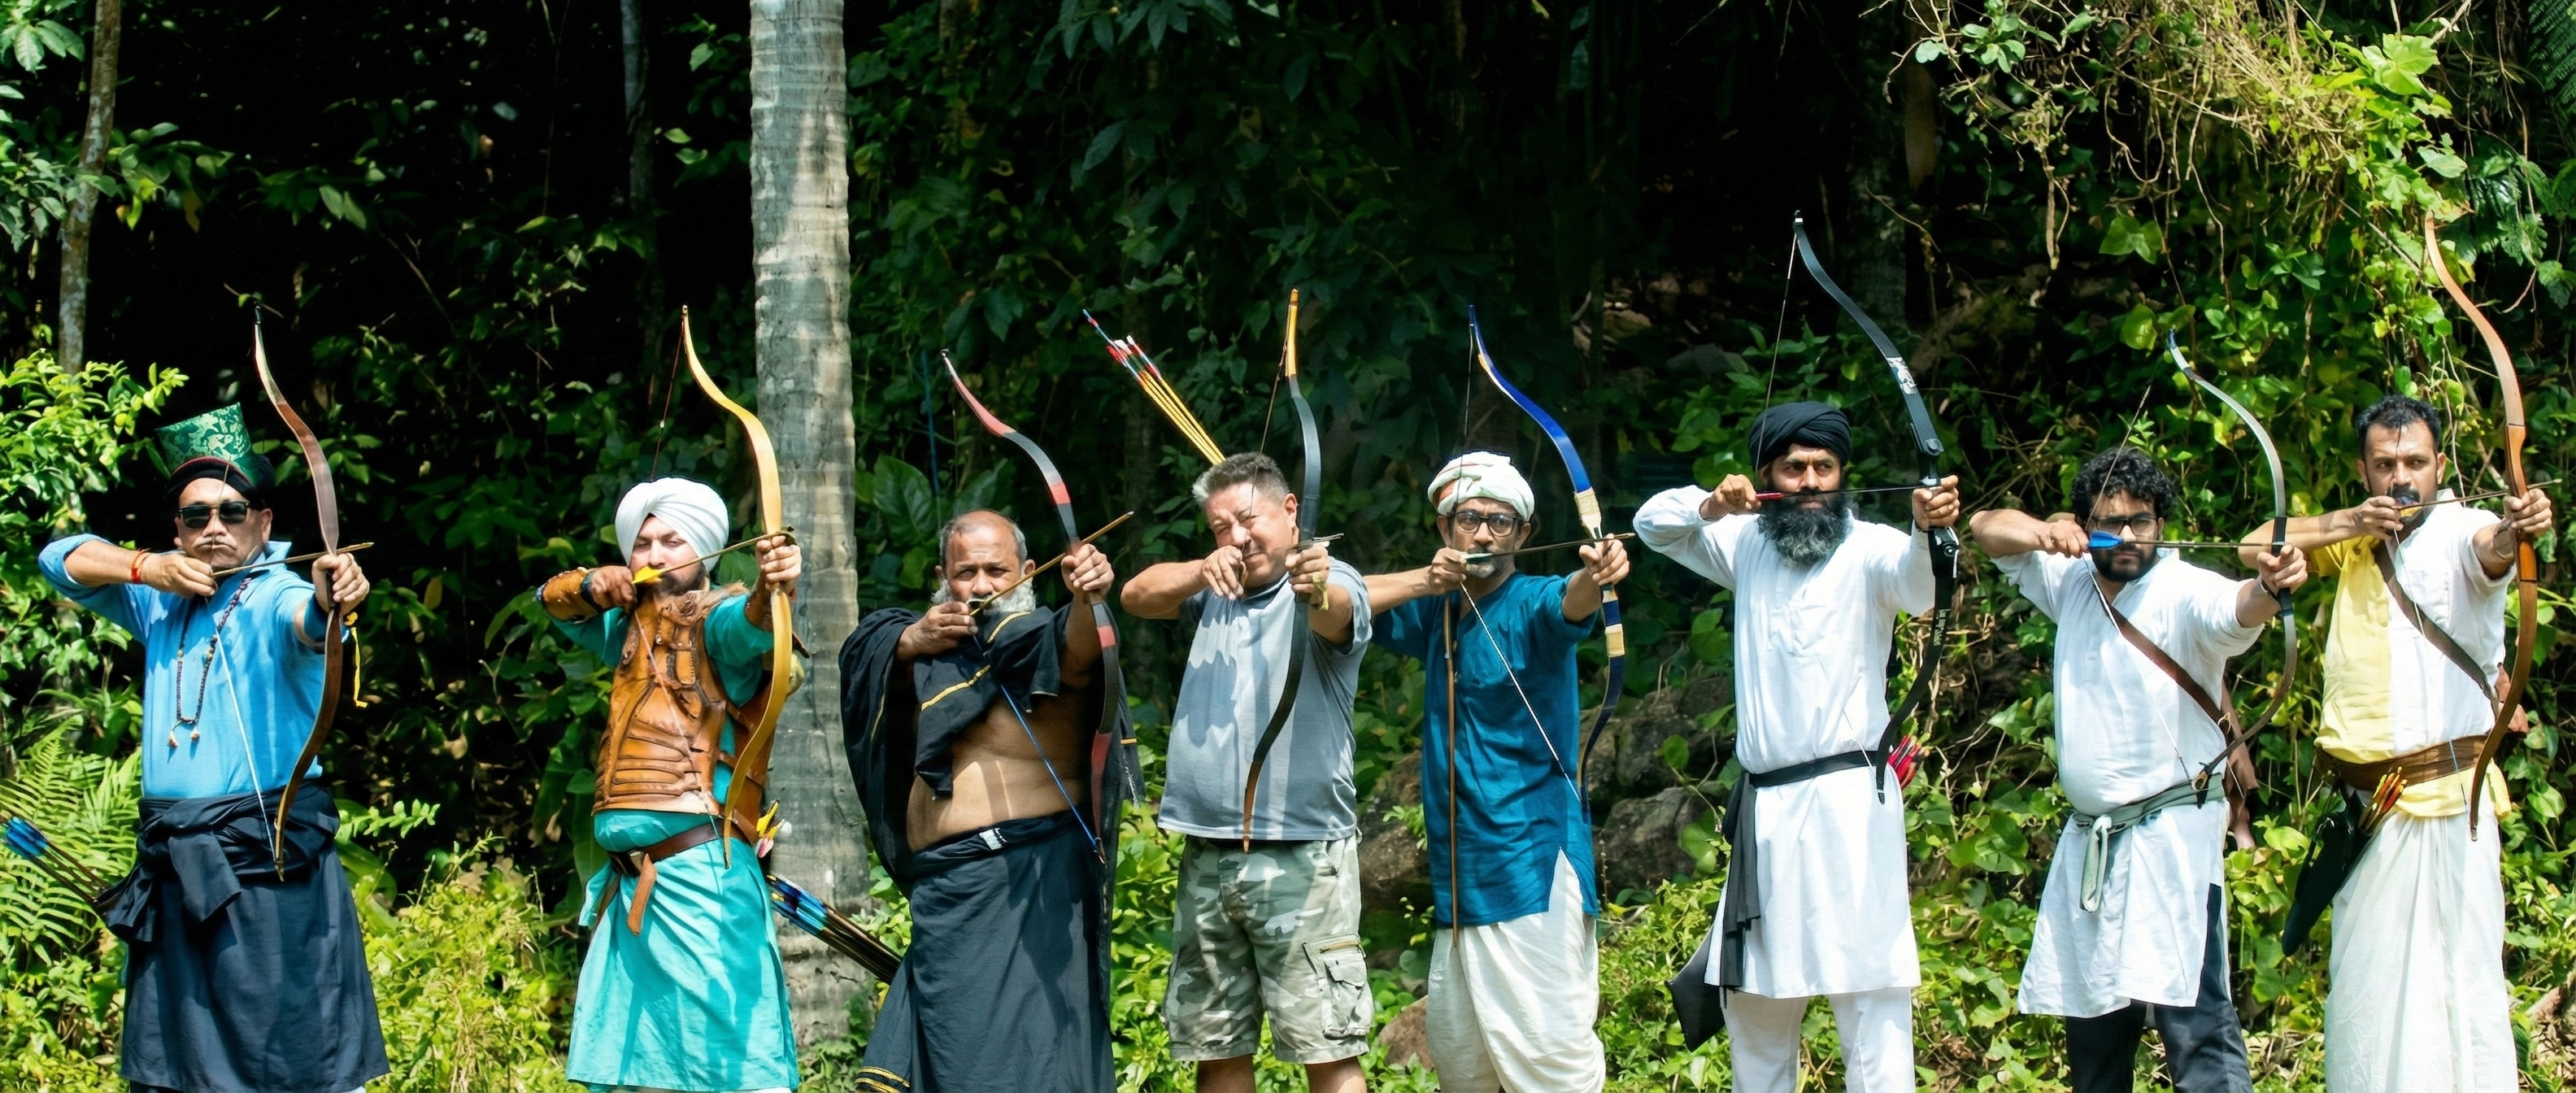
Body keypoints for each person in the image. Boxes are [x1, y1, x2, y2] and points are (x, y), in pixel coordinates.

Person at [37, 403, 388, 1093]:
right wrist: (148, 569)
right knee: (176, 1067)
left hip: (262, 860)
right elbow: (57, 560)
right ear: (177, 530)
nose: (214, 528)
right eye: (196, 516)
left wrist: (334, 599)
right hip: (177, 860)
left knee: (282, 1057)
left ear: (264, 522)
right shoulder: (157, 600)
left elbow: (312, 624)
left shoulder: (276, 590)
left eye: (233, 512)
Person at [1634, 400, 1960, 1093]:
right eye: (1794, 467)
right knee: (1756, 1002)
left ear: (1843, 475)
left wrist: (1928, 528)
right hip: (1768, 813)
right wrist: (1711, 505)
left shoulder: (1872, 546)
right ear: (1768, 477)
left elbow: (1922, 589)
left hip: (1850, 804)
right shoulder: (1743, 541)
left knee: (1870, 994)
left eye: (1824, 467)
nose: (1811, 481)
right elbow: (1651, 523)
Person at [1968, 447, 2305, 1093]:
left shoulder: (2183, 589)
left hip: (2171, 847)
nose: (2125, 536)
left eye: (2141, 522)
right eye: (2108, 521)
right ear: (2085, 522)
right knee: (2095, 1040)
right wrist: (2044, 532)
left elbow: (2236, 609)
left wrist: (2270, 585)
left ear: (2162, 522)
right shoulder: (2070, 579)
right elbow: (1986, 527)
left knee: (2197, 1029)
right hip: (2093, 847)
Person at [2241, 395, 2552, 1093]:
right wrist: (2349, 521)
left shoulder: (2463, 528)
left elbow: (2494, 551)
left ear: (2440, 465)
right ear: (2365, 470)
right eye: (2386, 465)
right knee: (2370, 998)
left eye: (2415, 462)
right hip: (2368, 808)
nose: (2401, 478)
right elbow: (2253, 543)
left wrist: (2517, 530)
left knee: (2455, 991)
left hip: (2448, 805)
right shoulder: (2353, 537)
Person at [1362, 451, 1627, 1092]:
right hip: (1463, 877)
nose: (1482, 533)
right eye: (1467, 518)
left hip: (1529, 864)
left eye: (1501, 522)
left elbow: (1570, 603)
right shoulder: (1435, 606)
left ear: (1524, 535)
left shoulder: (1532, 601)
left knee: (1548, 1058)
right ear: (1444, 527)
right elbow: (1341, 603)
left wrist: (1599, 574)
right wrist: (1426, 581)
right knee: (1464, 1064)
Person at [837, 509, 1122, 1093]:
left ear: (1028, 570)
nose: (983, 585)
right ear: (943, 576)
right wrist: (910, 640)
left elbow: (1076, 647)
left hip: (1023, 886)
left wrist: (1090, 597)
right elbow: (862, 653)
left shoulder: (1035, 635)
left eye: (998, 569)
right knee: (950, 1069)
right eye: (966, 572)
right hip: (946, 895)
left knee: (1018, 1069)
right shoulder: (927, 653)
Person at [537, 477, 801, 1093]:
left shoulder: (717, 621)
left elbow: (754, 624)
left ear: (705, 550)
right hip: (632, 890)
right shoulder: (624, 629)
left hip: (701, 882)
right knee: (633, 1077)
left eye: (672, 540)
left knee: (735, 1067)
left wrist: (772, 584)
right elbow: (551, 603)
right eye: (643, 542)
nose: (653, 554)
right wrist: (589, 583)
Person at [1120, 452, 1372, 1093]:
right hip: (1208, 856)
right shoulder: (1214, 586)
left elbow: (1335, 609)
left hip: (1301, 858)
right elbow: (1134, 596)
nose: (1236, 537)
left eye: (1248, 519)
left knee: (1328, 1049)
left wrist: (1313, 586)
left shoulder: (1329, 577)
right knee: (1216, 1048)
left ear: (1291, 511)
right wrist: (1199, 570)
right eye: (1219, 527)